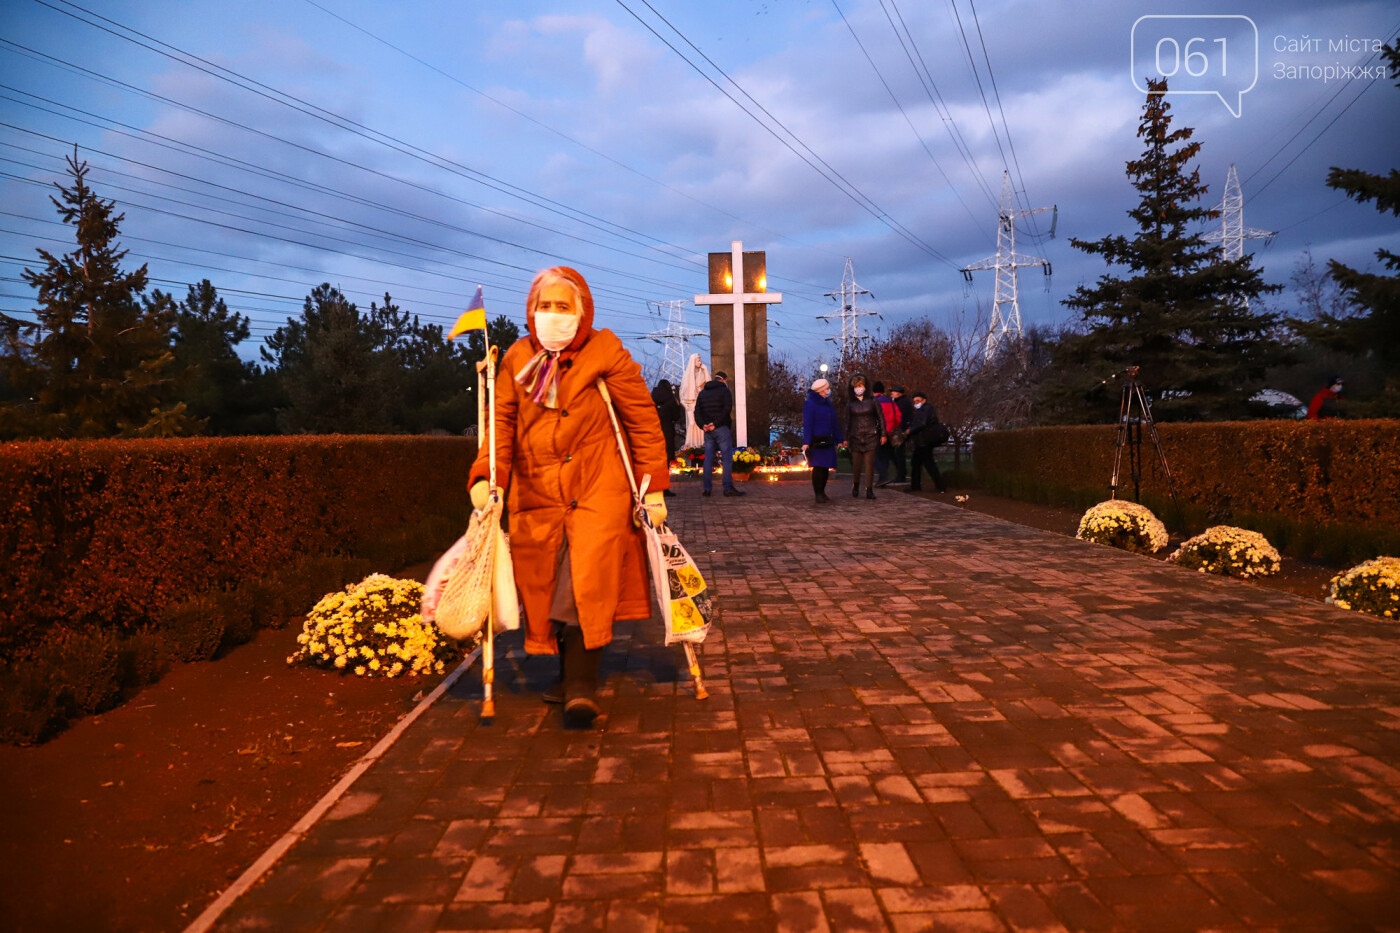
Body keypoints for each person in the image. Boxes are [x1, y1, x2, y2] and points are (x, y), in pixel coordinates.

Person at [468, 267, 669, 727]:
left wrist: (652, 484)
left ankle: (581, 685)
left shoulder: (605, 351)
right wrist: (487, 475)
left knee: (586, 581)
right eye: (546, 306)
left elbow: (640, 420)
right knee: (546, 585)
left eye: (564, 307)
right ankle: (567, 676)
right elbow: (500, 427)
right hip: (536, 493)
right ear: (531, 310)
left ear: (582, 311)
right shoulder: (517, 357)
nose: (553, 316)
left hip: (600, 487)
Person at [694, 370, 745, 497]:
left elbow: (697, 413)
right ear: (723, 380)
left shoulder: (702, 393)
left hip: (707, 431)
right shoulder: (725, 392)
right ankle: (727, 488)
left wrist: (703, 425)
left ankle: (707, 489)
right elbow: (727, 409)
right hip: (721, 428)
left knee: (708, 459)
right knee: (727, 458)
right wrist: (715, 424)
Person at [844, 372, 886, 499]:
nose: (859, 388)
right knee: (856, 465)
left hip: (871, 436)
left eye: (861, 385)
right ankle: (856, 485)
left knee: (869, 465)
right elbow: (847, 421)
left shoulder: (873, 401)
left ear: (866, 386)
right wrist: (845, 438)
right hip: (855, 436)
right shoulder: (850, 403)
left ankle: (869, 490)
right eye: (856, 386)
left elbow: (881, 418)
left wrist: (883, 434)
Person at [801, 377, 843, 503]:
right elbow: (808, 424)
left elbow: (834, 423)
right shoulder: (810, 404)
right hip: (817, 441)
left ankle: (823, 492)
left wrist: (839, 439)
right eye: (827, 388)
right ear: (821, 390)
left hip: (828, 440)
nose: (829, 390)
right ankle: (818, 493)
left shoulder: (828, 403)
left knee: (825, 468)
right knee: (818, 467)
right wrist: (806, 442)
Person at [905, 391, 947, 493]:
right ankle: (916, 485)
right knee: (917, 462)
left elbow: (921, 424)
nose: (916, 403)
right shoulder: (924, 409)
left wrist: (910, 431)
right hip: (922, 440)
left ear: (924, 400)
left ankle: (939, 486)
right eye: (914, 401)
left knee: (926, 463)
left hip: (924, 440)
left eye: (918, 401)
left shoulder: (925, 409)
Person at [651, 378, 682, 497]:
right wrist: (677, 406)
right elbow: (676, 416)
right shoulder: (671, 399)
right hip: (667, 431)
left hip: (653, 431)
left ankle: (654, 486)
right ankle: (664, 487)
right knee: (666, 461)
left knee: (655, 461)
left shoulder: (652, 398)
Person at [872, 381, 902, 487]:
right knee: (885, 456)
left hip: (879, 433)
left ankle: (883, 476)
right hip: (890, 433)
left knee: (874, 455)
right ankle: (882, 480)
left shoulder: (874, 401)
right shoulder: (891, 402)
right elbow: (898, 416)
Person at [887, 385, 913, 485]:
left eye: (893, 391)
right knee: (897, 453)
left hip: (899, 431)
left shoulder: (902, 403)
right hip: (898, 430)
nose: (891, 393)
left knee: (898, 453)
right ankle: (901, 473)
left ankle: (901, 474)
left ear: (899, 393)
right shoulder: (900, 402)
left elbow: (902, 417)